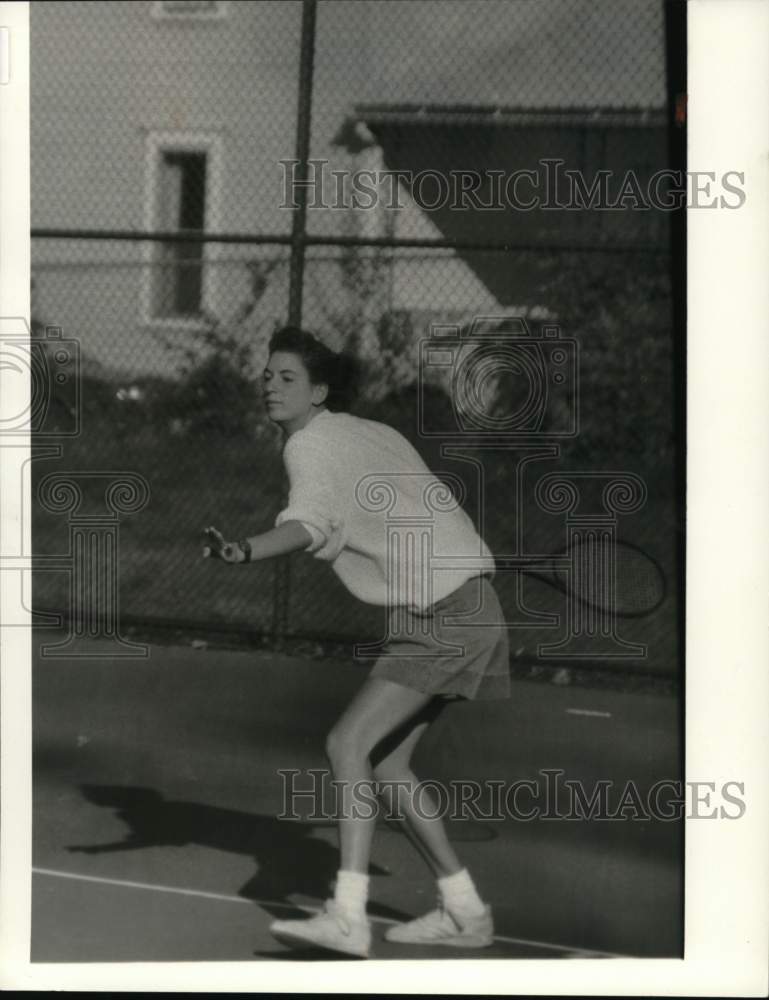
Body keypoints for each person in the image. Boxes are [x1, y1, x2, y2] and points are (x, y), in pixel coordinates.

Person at [203, 326, 510, 958]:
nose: (269, 384)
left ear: (318, 392)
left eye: (286, 378)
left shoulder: (310, 447)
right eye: (267, 375)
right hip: (471, 603)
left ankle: (347, 916)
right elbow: (429, 504)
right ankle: (465, 912)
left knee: (347, 743)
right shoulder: (375, 432)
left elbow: (311, 522)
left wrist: (245, 550)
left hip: (444, 611)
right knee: (388, 765)